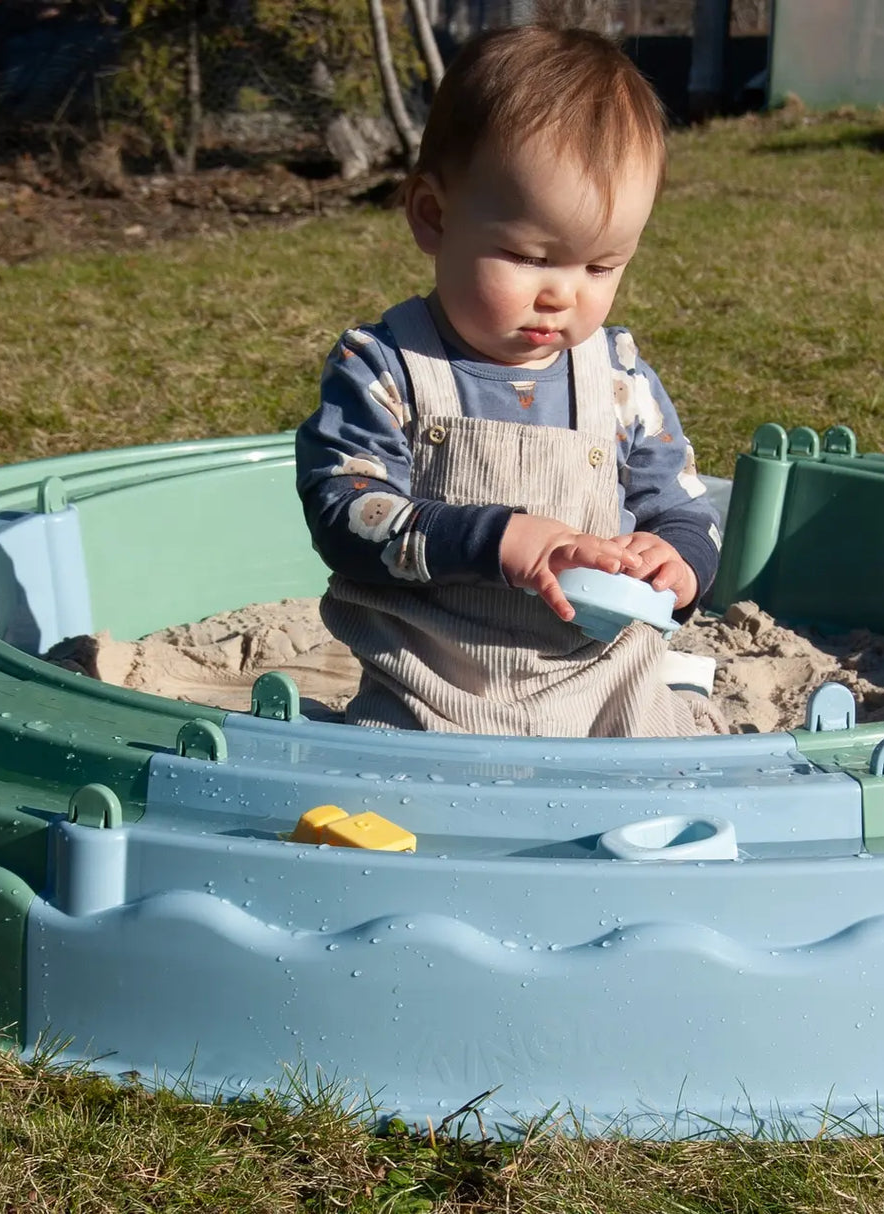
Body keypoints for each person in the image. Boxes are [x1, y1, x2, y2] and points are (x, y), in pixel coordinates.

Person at [295, 23, 725, 737]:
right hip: (430, 688)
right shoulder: (386, 369)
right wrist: (501, 540)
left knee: (679, 780)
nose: (563, 294)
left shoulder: (615, 380)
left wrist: (678, 558)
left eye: (599, 267)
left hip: (604, 674)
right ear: (433, 217)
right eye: (528, 256)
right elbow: (345, 514)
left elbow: (683, 501)